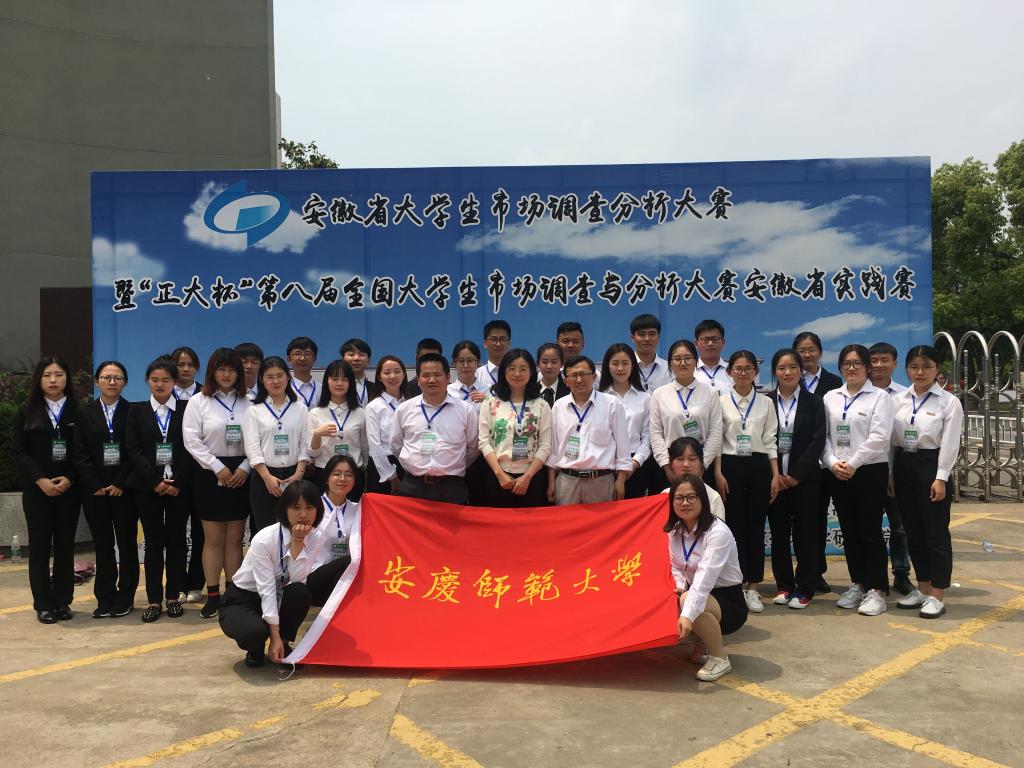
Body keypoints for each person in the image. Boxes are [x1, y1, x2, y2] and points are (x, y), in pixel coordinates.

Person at [218, 481, 332, 667]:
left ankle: (284, 644)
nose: (303, 514)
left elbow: (297, 580)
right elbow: (267, 590)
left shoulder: (316, 536)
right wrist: (274, 636)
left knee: (300, 592)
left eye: (309, 507)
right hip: (245, 597)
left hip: (281, 592)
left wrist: (297, 542)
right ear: (285, 510)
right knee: (254, 633)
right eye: (296, 508)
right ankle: (256, 648)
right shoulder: (265, 539)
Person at [891, 345, 964, 619]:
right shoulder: (898, 399)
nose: (919, 372)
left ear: (937, 369)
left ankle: (937, 594)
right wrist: (890, 473)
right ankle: (922, 588)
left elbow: (950, 444)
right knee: (913, 531)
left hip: (931, 466)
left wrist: (941, 477)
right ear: (906, 369)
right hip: (903, 464)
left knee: (935, 534)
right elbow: (891, 441)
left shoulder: (948, 402)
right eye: (914, 367)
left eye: (926, 367)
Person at [823, 344, 894, 616]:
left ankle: (877, 589)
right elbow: (823, 436)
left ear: (867, 367)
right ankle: (858, 583)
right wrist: (832, 462)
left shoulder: (879, 397)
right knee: (849, 532)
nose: (851, 368)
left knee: (870, 532)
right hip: (838, 472)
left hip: (869, 471)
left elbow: (879, 437)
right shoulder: (831, 397)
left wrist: (853, 463)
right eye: (846, 363)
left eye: (857, 363)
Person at [182, 347, 251, 619]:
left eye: (232, 369)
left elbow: (258, 440)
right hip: (209, 473)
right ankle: (212, 595)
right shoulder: (198, 401)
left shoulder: (250, 401)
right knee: (213, 540)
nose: (226, 374)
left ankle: (233, 594)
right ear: (212, 372)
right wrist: (217, 468)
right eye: (221, 369)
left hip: (242, 473)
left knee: (235, 539)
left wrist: (244, 468)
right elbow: (191, 440)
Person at [14, 355, 80, 624]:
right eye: (47, 375)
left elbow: (84, 452)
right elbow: (20, 452)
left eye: (59, 374)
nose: (53, 380)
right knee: (40, 547)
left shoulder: (79, 410)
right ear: (39, 379)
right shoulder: (26, 411)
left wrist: (70, 478)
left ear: (67, 379)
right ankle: (43, 603)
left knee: (65, 546)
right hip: (37, 491)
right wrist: (40, 480)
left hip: (69, 490)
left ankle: (63, 601)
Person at [713, 351, 780, 614]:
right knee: (733, 529)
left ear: (756, 372)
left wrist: (775, 474)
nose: (743, 373)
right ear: (729, 372)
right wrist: (718, 473)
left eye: (748, 368)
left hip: (758, 466)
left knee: (755, 527)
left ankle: (753, 587)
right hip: (729, 467)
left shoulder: (766, 403)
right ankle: (736, 584)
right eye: (738, 368)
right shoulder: (720, 401)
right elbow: (717, 440)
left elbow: (771, 440)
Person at [126, 357, 190, 623]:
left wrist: (179, 482)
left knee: (176, 541)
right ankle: (153, 600)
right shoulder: (137, 411)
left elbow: (192, 448)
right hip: (147, 488)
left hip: (179, 488)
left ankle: (173, 596)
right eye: (155, 380)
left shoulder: (187, 408)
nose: (160, 385)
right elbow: (133, 450)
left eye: (166, 380)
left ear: (174, 382)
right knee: (152, 544)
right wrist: (155, 481)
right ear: (147, 381)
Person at [667, 474, 747, 682]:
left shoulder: (718, 532)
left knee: (688, 601)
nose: (685, 503)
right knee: (679, 597)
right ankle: (702, 642)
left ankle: (719, 658)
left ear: (702, 499)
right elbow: (676, 566)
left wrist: (687, 614)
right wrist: (679, 587)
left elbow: (704, 579)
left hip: (728, 601)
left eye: (691, 497)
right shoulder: (675, 531)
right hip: (696, 591)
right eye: (679, 498)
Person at [74, 360, 137, 618]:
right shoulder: (84, 413)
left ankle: (126, 596)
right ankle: (105, 596)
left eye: (117, 378)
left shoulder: (133, 412)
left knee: (127, 544)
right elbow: (79, 453)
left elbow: (135, 452)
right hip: (95, 491)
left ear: (125, 383)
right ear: (97, 381)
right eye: (106, 377)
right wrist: (95, 484)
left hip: (125, 490)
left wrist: (121, 483)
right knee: (102, 545)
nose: (112, 382)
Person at [766, 349, 826, 610]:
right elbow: (764, 439)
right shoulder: (767, 402)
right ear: (774, 372)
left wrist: (796, 475)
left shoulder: (814, 402)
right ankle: (784, 585)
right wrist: (777, 475)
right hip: (775, 481)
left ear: (801, 371)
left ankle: (805, 587)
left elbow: (817, 441)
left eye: (792, 367)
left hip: (805, 481)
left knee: (806, 534)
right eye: (781, 368)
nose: (787, 372)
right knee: (779, 534)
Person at [390, 352, 479, 504]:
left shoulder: (465, 410)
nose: (432, 380)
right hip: (413, 485)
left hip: (451, 487)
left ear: (448, 377)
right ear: (418, 380)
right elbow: (396, 444)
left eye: (437, 375)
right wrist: (413, 464)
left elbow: (474, 447)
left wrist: (453, 465)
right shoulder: (404, 409)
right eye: (426, 375)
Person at [793, 330, 843, 594]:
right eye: (801, 350)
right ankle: (800, 574)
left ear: (820, 352)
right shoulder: (789, 381)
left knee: (817, 520)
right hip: (795, 464)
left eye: (811, 349)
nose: (807, 354)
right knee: (801, 522)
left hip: (825, 463)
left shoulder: (834, 383)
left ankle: (816, 572)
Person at [546, 355, 630, 504]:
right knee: (566, 519)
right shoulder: (559, 406)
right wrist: (552, 481)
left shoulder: (612, 404)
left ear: (594, 376)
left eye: (584, 374)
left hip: (601, 481)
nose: (579, 380)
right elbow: (554, 449)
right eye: (573, 375)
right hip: (567, 481)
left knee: (603, 520)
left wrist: (621, 480)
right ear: (566, 381)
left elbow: (622, 447)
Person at [243, 356, 310, 531]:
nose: (275, 381)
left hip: (294, 474)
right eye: (269, 377)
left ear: (288, 377)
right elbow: (252, 447)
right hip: (264, 476)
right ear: (261, 380)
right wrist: (267, 478)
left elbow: (305, 443)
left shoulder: (301, 408)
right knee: (266, 531)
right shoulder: (254, 410)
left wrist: (298, 474)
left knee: (295, 529)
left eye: (280, 375)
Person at [478, 348, 552, 507]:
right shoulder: (491, 403)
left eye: (523, 369)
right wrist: (499, 474)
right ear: (503, 372)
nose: (517, 373)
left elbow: (545, 445)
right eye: (512, 368)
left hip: (532, 479)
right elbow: (484, 442)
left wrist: (527, 477)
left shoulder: (541, 405)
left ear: (531, 372)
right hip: (498, 477)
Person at [868, 341, 913, 596]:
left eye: (884, 360)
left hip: (898, 472)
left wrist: (893, 473)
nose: (879, 365)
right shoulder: (857, 394)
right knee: (868, 528)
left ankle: (901, 573)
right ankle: (870, 578)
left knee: (900, 527)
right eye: (874, 360)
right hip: (867, 472)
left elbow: (902, 439)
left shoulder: (905, 397)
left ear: (895, 364)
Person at [649, 339, 723, 487]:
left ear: (695, 361)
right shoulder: (659, 394)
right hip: (670, 464)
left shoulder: (710, 392)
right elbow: (655, 434)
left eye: (688, 358)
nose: (683, 363)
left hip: (701, 461)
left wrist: (702, 465)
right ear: (670, 363)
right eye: (677, 359)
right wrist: (667, 466)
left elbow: (716, 432)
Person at [171, 345, 204, 602]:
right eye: (180, 364)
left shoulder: (206, 394)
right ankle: (177, 583)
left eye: (190, 365)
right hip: (173, 475)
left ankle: (196, 583)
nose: (185, 369)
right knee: (175, 532)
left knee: (201, 532)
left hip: (202, 472)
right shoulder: (164, 394)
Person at [598, 343, 652, 499]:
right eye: (615, 363)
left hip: (636, 464)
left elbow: (648, 437)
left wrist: (635, 462)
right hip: (605, 464)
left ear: (633, 366)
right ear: (607, 366)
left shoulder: (645, 398)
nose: (620, 368)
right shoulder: (598, 398)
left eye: (625, 363)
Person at [307, 360, 368, 498]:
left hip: (353, 473)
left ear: (351, 383)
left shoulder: (360, 413)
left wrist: (364, 471)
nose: (339, 383)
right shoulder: (315, 413)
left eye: (344, 379)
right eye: (335, 379)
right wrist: (317, 434)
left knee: (353, 510)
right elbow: (313, 453)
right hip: (324, 473)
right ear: (327, 381)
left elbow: (364, 447)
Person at [310, 455, 361, 606]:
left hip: (346, 578)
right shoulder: (312, 508)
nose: (342, 479)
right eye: (337, 474)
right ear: (327, 479)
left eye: (348, 475)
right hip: (316, 577)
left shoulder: (359, 509)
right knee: (348, 562)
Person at [365, 355, 409, 494]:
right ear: (379, 377)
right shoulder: (374, 406)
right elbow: (374, 445)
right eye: (387, 372)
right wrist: (391, 476)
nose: (392, 376)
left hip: (409, 463)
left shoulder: (410, 403)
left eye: (397, 371)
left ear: (404, 375)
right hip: (382, 466)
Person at [660, 437, 725, 520]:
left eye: (692, 459)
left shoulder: (713, 497)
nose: (686, 465)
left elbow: (719, 527)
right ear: (670, 462)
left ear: (701, 462)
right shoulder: (664, 495)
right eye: (680, 459)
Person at [630, 313, 672, 393]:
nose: (647, 339)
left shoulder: (669, 368)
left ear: (658, 337)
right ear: (632, 337)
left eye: (652, 334)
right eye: (641, 334)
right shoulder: (625, 368)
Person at [694, 320, 732, 393]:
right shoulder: (690, 371)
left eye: (715, 339)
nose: (710, 343)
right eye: (705, 339)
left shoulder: (733, 371)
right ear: (696, 343)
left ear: (723, 342)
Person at [449, 341, 488, 407]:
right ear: (454, 363)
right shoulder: (447, 392)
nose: (466, 365)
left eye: (470, 360)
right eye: (461, 361)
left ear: (478, 362)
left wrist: (488, 401)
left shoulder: (488, 390)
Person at [476, 320, 511, 391]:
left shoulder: (516, 374)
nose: (498, 344)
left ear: (509, 343)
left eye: (502, 339)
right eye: (493, 339)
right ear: (485, 343)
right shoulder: (477, 375)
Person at [286, 336, 320, 409]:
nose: (302, 358)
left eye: (307, 354)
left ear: (314, 359)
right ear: (288, 359)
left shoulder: (323, 389)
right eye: (297, 354)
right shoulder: (284, 389)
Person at [339, 338, 373, 406]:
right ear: (342, 359)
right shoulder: (336, 387)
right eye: (351, 354)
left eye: (361, 354)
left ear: (368, 360)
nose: (356, 358)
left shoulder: (375, 389)